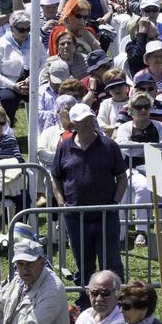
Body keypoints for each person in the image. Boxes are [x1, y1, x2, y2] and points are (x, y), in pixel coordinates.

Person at [51, 102, 127, 291]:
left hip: (106, 214)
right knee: (83, 262)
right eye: (81, 121)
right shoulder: (64, 147)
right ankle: (84, 297)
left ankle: (116, 298)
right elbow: (56, 177)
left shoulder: (110, 146)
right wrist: (61, 202)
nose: (86, 124)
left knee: (111, 261)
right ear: (72, 124)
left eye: (89, 120)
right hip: (75, 215)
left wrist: (114, 203)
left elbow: (122, 177)